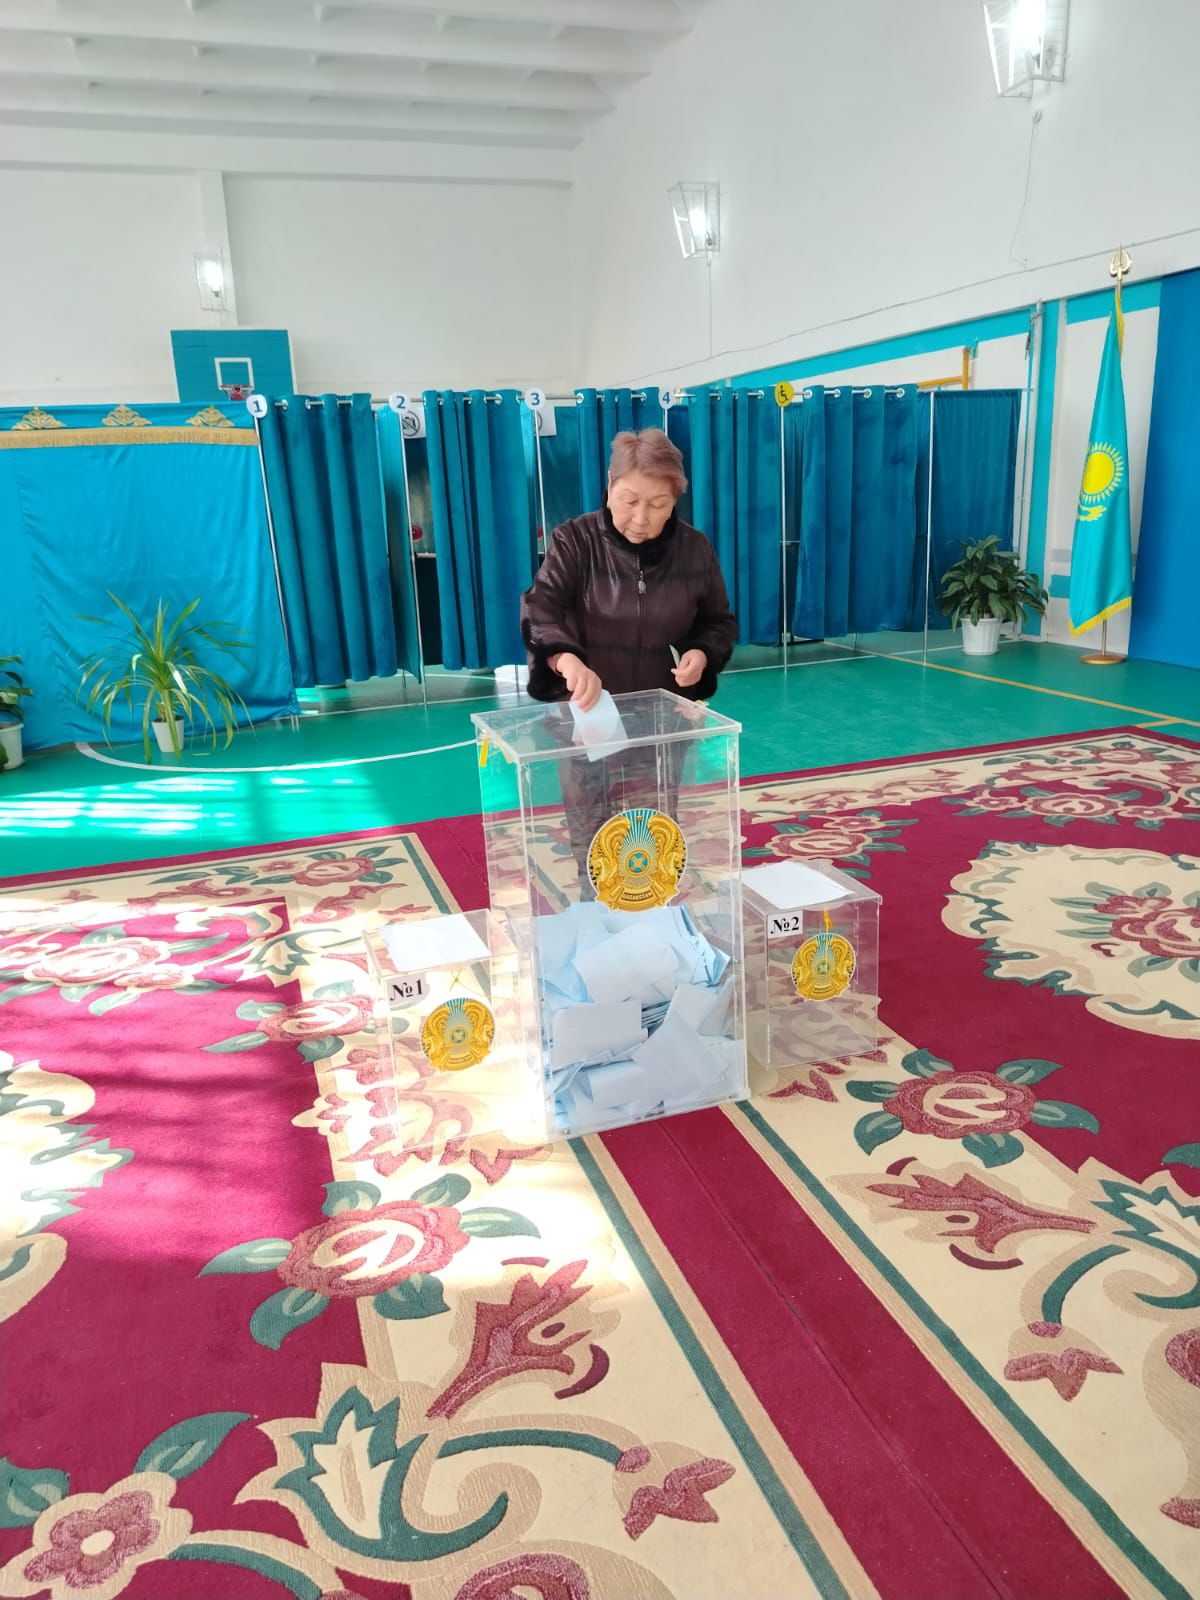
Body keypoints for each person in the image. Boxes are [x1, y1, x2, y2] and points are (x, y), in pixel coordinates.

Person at [520, 428, 738, 894]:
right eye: (629, 500)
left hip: (660, 717)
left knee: (652, 829)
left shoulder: (694, 549)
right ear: (609, 486)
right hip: (588, 714)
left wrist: (701, 653)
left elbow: (718, 622)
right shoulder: (575, 540)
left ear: (675, 500)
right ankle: (596, 909)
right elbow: (541, 609)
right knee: (595, 834)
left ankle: (654, 916)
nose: (641, 518)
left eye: (658, 504)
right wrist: (566, 659)